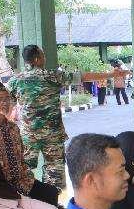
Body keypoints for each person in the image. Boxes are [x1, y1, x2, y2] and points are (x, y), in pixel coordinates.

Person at [5, 45, 79, 189]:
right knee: (54, 170)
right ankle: (51, 199)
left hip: (28, 135)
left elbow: (6, 105)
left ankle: (27, 197)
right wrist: (112, 75)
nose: (44, 58)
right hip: (53, 135)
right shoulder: (53, 76)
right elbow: (81, 77)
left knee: (24, 169)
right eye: (43, 55)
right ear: (37, 59)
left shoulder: (15, 80)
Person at [0, 83, 61, 208]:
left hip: (22, 181)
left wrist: (28, 178)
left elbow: (21, 158)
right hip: (1, 186)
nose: (6, 103)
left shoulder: (14, 128)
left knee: (51, 193)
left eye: (7, 99)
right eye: (0, 99)